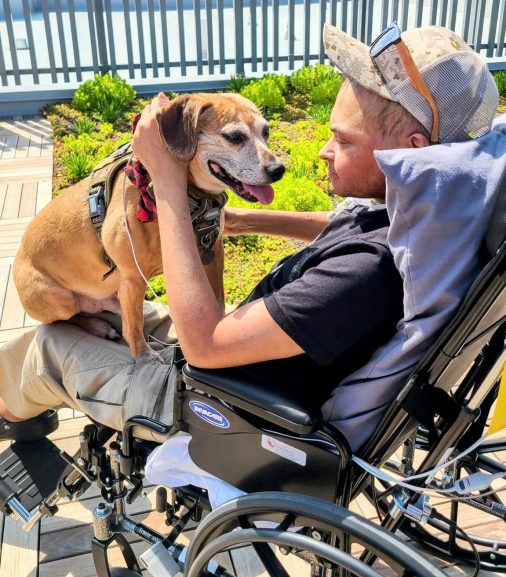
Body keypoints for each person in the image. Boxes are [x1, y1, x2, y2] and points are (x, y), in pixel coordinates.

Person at [0, 22, 500, 447]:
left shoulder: (362, 275)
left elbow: (205, 348)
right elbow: (339, 227)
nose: (322, 151)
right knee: (133, 314)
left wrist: (171, 188)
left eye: (342, 140)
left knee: (48, 345)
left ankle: (13, 417)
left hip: (223, 401)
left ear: (410, 149)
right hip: (254, 351)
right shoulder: (420, 218)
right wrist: (242, 219)